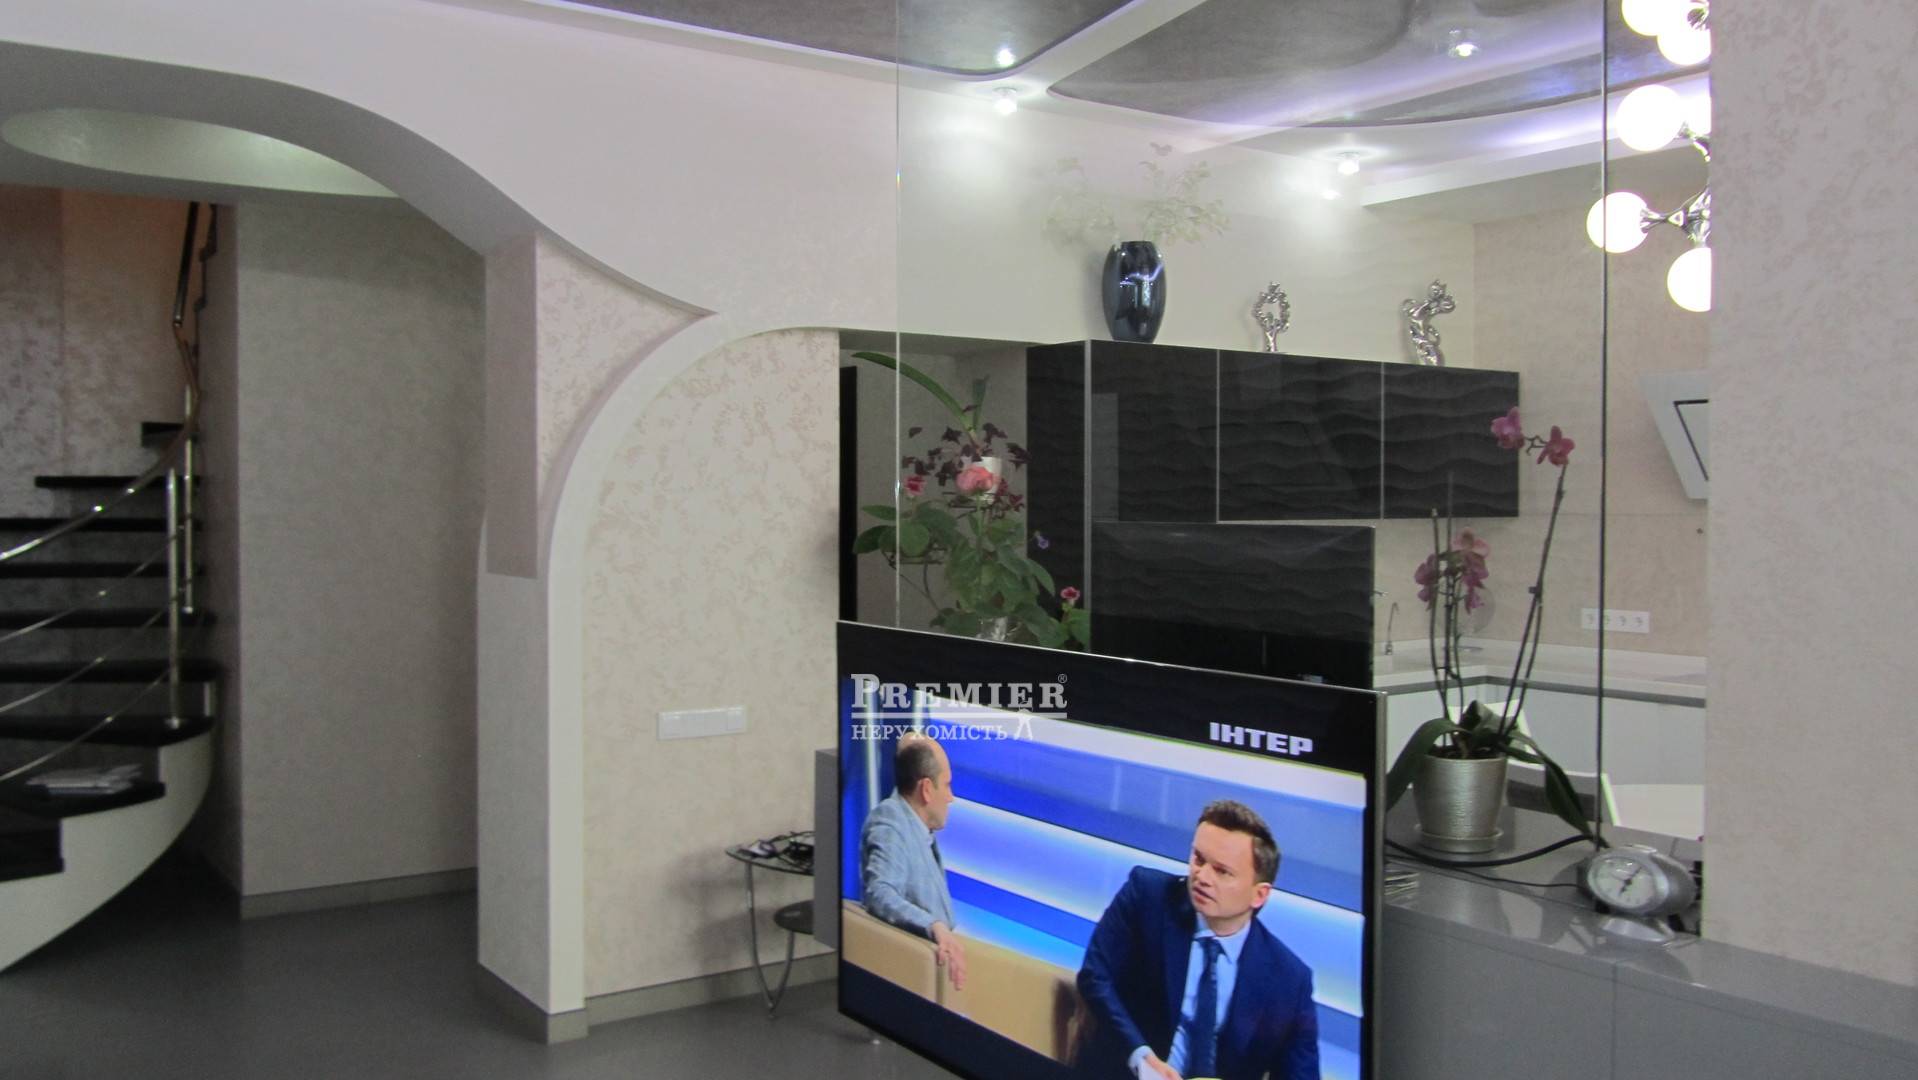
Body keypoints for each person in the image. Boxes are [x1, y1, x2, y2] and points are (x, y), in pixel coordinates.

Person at [1076, 800, 1318, 1080]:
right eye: (1198, 859)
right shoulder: (1148, 896)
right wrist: (1141, 1057)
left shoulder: (1289, 980)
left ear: (1259, 895)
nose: (1202, 877)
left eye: (1222, 871)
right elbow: (1095, 976)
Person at [860, 733, 967, 990]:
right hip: (916, 976)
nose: (951, 797)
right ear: (927, 789)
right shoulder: (890, 821)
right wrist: (934, 926)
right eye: (947, 785)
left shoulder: (917, 825)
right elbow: (880, 892)